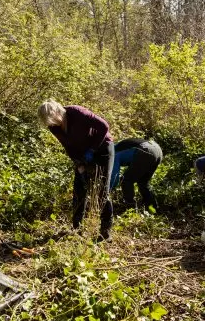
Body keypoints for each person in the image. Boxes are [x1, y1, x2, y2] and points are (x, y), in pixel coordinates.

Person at [38, 100, 115, 240]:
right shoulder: (54, 127)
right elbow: (67, 146)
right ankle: (77, 228)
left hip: (103, 148)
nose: (51, 124)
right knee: (79, 190)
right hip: (81, 155)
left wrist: (92, 149)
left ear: (57, 112)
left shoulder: (77, 113)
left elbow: (104, 126)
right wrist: (79, 163)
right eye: (48, 122)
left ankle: (105, 231)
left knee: (102, 189)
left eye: (52, 119)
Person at [110, 138, 163, 212]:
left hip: (145, 150)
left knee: (126, 180)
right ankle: (153, 208)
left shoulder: (113, 153)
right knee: (143, 182)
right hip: (157, 150)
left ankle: (130, 208)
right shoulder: (122, 145)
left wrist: (109, 188)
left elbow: (114, 178)